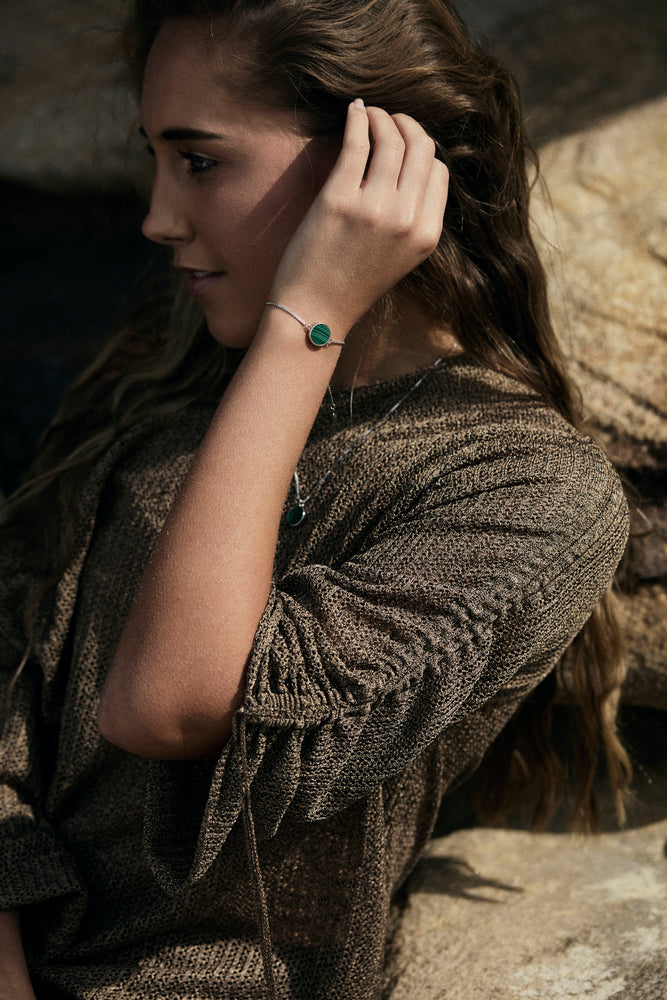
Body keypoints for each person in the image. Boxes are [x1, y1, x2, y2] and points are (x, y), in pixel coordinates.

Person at [0, 1, 632, 997]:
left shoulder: (529, 490)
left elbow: (166, 705)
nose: (158, 218)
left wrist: (310, 314)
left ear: (374, 171)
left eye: (198, 161)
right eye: (154, 159)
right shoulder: (163, 388)